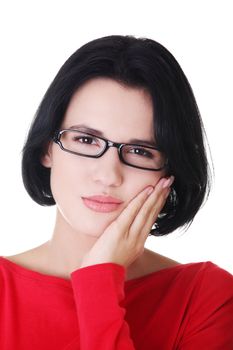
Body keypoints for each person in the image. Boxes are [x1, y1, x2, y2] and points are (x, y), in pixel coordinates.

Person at [0, 35, 232, 349]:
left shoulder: (205, 298)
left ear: (170, 171)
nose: (109, 176)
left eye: (140, 151)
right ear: (47, 148)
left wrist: (99, 280)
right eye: (85, 140)